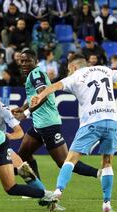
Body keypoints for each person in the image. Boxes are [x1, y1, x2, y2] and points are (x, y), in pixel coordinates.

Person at [30, 54, 117, 212]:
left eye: (68, 69)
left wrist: (39, 96)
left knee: (70, 159)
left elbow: (54, 86)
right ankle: (107, 204)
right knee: (107, 162)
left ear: (73, 67)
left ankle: (58, 191)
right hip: (112, 121)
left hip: (92, 121)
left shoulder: (75, 76)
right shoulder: (106, 70)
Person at [12, 49, 100, 183]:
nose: (23, 64)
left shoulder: (35, 74)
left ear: (35, 62)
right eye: (21, 61)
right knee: (23, 155)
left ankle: (100, 173)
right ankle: (37, 188)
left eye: (27, 61)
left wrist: (25, 113)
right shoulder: (34, 74)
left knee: (64, 162)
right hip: (39, 124)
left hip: (48, 125)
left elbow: (43, 96)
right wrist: (23, 107)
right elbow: (34, 96)